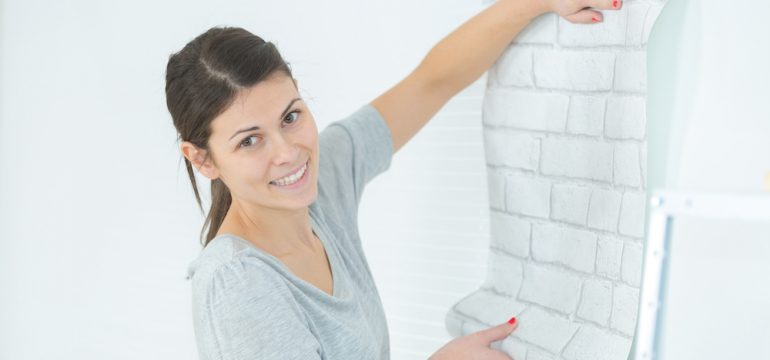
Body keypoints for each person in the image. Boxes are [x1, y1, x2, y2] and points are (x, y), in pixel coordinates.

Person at [164, 0, 621, 358]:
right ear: (202, 160)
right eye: (249, 141)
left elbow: (430, 83)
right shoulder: (237, 284)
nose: (287, 153)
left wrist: (535, 2)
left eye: (290, 116)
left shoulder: (322, 185)